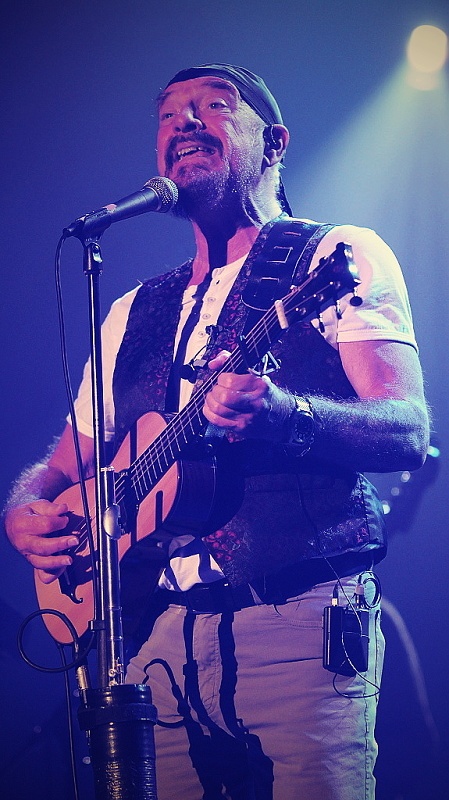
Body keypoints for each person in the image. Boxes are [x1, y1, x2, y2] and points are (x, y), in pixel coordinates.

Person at [4, 64, 429, 800]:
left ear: (275, 143)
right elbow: (60, 469)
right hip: (157, 638)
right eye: (169, 114)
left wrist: (287, 416)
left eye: (214, 106)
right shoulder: (133, 308)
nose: (186, 122)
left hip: (298, 619)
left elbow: (406, 430)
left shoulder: (333, 257)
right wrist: (22, 511)